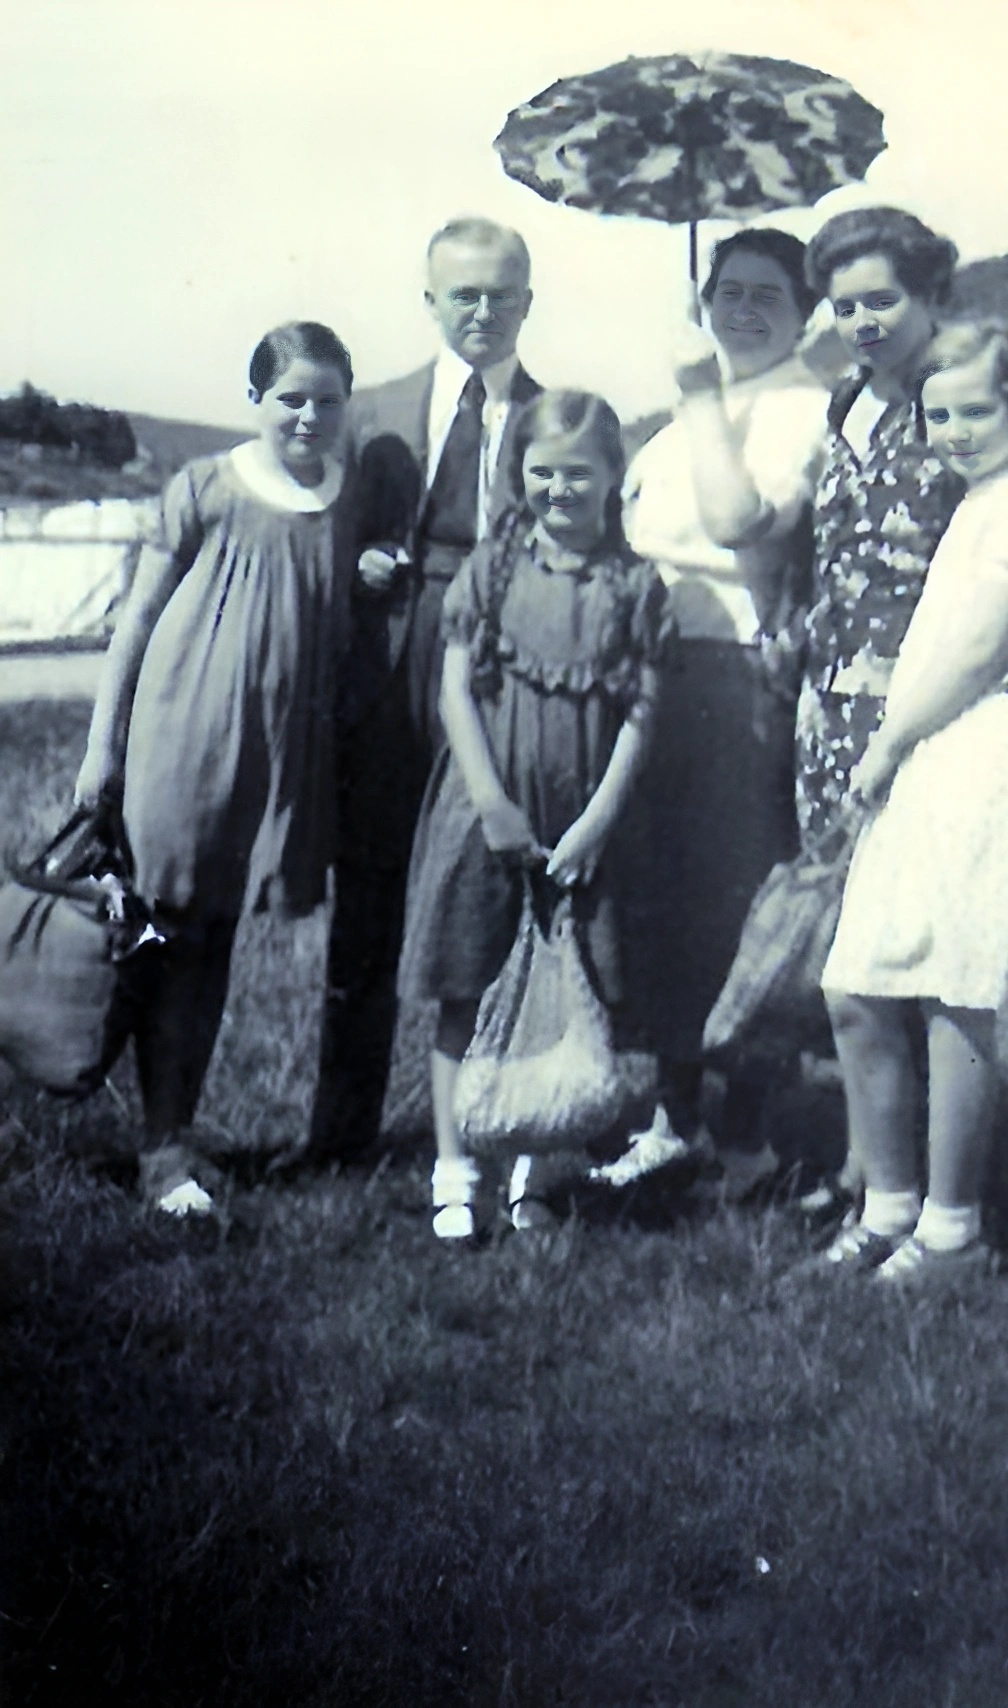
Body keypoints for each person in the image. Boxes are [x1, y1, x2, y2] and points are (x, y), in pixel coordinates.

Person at [791, 207, 1008, 1235]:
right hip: (840, 707)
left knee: (935, 965)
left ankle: (937, 1211)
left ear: (931, 297)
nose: (863, 320)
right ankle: (871, 1183)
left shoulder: (965, 396)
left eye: (882, 297)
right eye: (842, 304)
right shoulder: (841, 406)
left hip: (937, 721)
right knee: (858, 965)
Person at [73, 322, 360, 1214]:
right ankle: (158, 1146)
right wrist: (101, 745)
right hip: (188, 735)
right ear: (256, 402)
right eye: (291, 399)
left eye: (328, 401)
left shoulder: (349, 496)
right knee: (168, 938)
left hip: (280, 758)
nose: (309, 417)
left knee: (215, 943)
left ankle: (175, 1134)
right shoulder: (207, 488)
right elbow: (135, 623)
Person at [398, 390, 671, 1239]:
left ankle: (536, 1169)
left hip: (582, 821)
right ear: (519, 475)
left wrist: (597, 823)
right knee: (465, 985)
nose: (559, 488)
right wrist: (489, 801)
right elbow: (453, 687)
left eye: (578, 472)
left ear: (614, 478)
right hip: (488, 812)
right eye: (542, 471)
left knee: (572, 988)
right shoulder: (492, 567)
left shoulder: (635, 584)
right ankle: (455, 1168)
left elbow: (641, 716)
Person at [301, 217, 543, 1171]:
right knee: (366, 908)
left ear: (529, 299)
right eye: (463, 294)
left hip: (499, 678)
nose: (482, 311)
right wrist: (356, 554)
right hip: (389, 676)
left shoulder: (556, 416)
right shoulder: (371, 412)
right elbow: (321, 535)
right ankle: (341, 1133)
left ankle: (492, 1123)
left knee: (492, 898)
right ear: (430, 299)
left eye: (501, 292)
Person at [608, 228, 831, 1197]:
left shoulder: (804, 412)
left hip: (736, 672)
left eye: (766, 296)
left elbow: (740, 522)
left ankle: (746, 1137)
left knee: (736, 907)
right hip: (654, 668)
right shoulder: (669, 425)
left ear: (804, 313)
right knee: (659, 905)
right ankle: (673, 1115)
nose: (740, 311)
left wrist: (700, 394)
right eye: (725, 290)